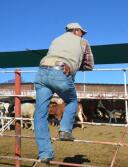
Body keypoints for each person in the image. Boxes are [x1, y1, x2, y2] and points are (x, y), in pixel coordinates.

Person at [34, 22, 94, 163]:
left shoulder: (56, 39)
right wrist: (73, 66)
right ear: (76, 30)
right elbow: (89, 65)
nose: (83, 34)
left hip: (42, 72)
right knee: (72, 101)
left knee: (40, 113)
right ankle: (65, 130)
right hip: (61, 72)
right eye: (82, 32)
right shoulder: (83, 42)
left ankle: (45, 153)